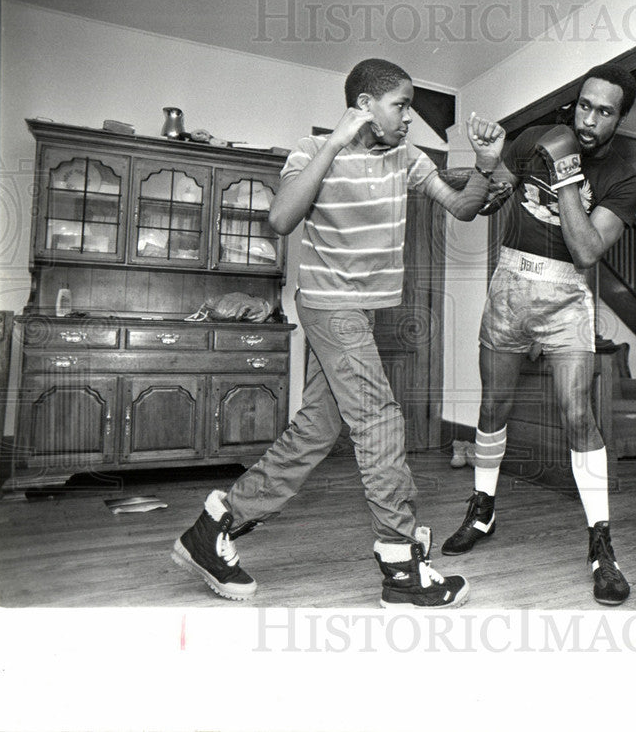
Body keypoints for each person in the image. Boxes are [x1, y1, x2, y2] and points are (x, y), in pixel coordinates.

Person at [171, 58, 505, 608]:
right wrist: (333, 145)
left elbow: (462, 207)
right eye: (400, 105)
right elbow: (280, 219)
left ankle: (213, 529)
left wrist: (487, 165)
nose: (408, 118)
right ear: (365, 105)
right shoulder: (310, 150)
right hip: (330, 305)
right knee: (380, 421)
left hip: (362, 311)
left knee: (317, 430)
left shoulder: (407, 158)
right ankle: (400, 566)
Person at [445, 63, 636, 606]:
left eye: (605, 111)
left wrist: (567, 173)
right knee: (494, 406)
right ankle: (482, 511)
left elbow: (585, 250)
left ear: (620, 119)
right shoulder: (535, 139)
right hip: (510, 281)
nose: (589, 118)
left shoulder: (625, 180)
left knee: (578, 413)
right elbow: (489, 199)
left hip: (566, 296)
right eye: (585, 104)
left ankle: (601, 545)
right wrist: (489, 163)